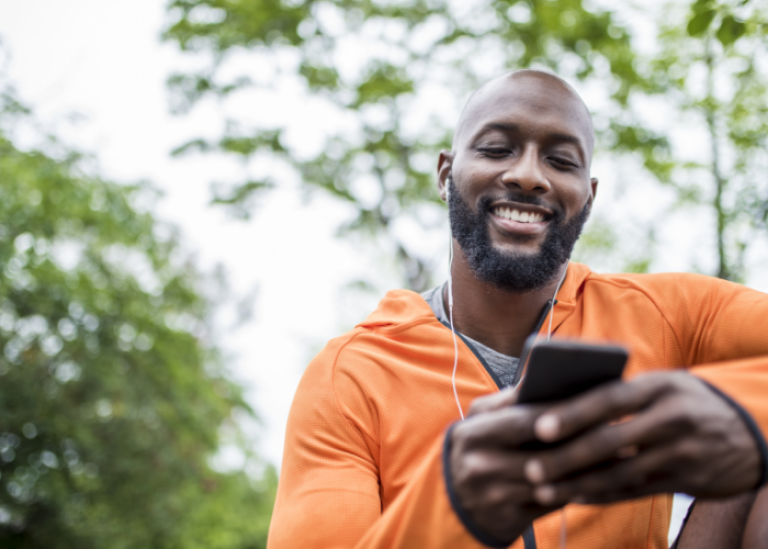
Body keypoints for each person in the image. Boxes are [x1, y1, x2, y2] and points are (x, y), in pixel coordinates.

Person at [267, 69, 768, 548]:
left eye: (561, 161)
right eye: (496, 149)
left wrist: (741, 409)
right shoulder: (350, 377)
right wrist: (451, 512)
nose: (528, 175)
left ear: (588, 198)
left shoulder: (668, 315)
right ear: (446, 175)